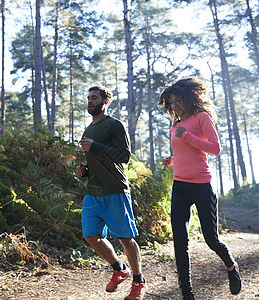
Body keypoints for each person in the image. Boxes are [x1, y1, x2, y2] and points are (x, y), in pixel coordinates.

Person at [159, 77, 242, 299]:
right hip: (180, 187)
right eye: (171, 102)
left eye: (178, 100)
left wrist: (186, 136)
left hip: (202, 185)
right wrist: (173, 159)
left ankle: (231, 268)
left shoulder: (201, 118)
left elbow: (215, 149)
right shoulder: (174, 126)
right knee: (180, 241)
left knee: (211, 239)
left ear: (188, 98)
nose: (175, 105)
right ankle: (187, 293)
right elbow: (186, 153)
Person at [75, 85, 147, 300]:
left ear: (106, 101)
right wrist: (84, 172)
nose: (90, 101)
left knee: (126, 237)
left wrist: (95, 146)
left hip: (115, 189)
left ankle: (138, 281)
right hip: (92, 192)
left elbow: (124, 156)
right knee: (90, 236)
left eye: (94, 98)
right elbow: (98, 161)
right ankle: (118, 267)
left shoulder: (115, 125)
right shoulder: (88, 130)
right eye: (88, 98)